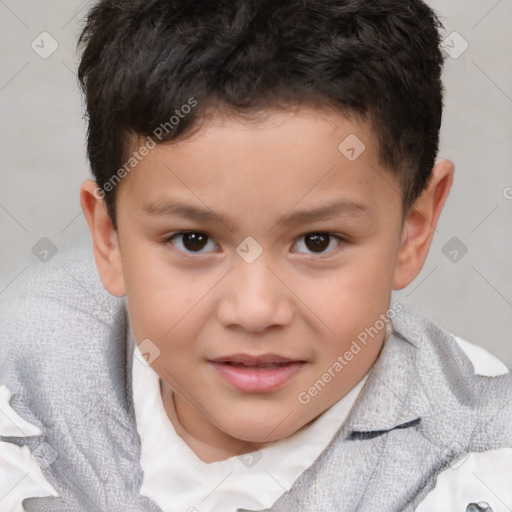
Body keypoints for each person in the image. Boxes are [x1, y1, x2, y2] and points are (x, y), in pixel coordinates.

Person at [1, 0, 511, 510]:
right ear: (109, 237)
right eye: (193, 240)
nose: (255, 309)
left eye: (317, 241)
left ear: (412, 231)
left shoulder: (480, 467)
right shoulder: (21, 379)